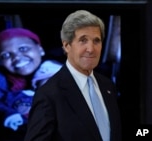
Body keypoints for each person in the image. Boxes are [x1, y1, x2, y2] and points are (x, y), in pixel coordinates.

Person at [24, 10, 122, 141]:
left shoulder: (107, 85)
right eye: (83, 40)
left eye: (96, 41)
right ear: (67, 46)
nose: (91, 49)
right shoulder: (48, 94)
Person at [0, 27, 61, 141]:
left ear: (40, 49)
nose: (17, 57)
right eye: (6, 55)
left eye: (23, 48)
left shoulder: (55, 71)